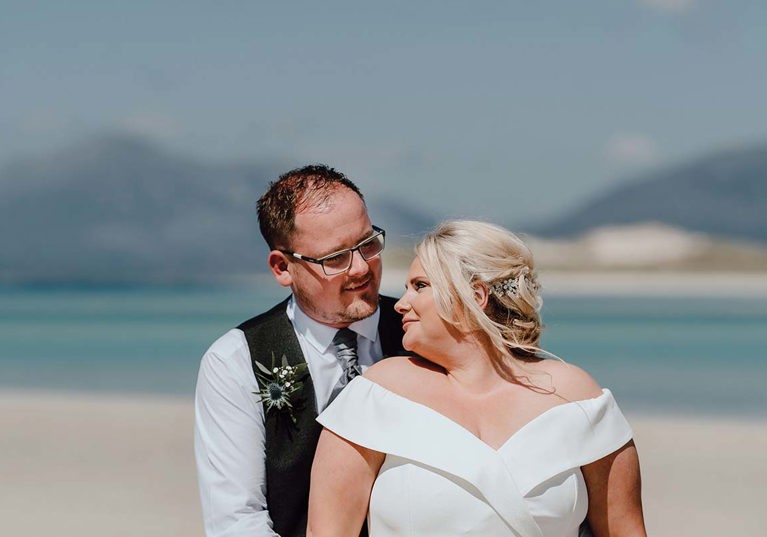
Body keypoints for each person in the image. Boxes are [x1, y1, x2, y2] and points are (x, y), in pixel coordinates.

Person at [307, 220, 646, 537]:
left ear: (476, 297)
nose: (401, 304)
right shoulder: (374, 396)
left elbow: (625, 531)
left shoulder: (574, 396)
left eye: (420, 286)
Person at [194, 165, 405, 537]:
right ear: (282, 267)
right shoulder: (235, 361)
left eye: (368, 243)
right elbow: (237, 520)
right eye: (335, 258)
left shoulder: (419, 332)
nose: (361, 268)